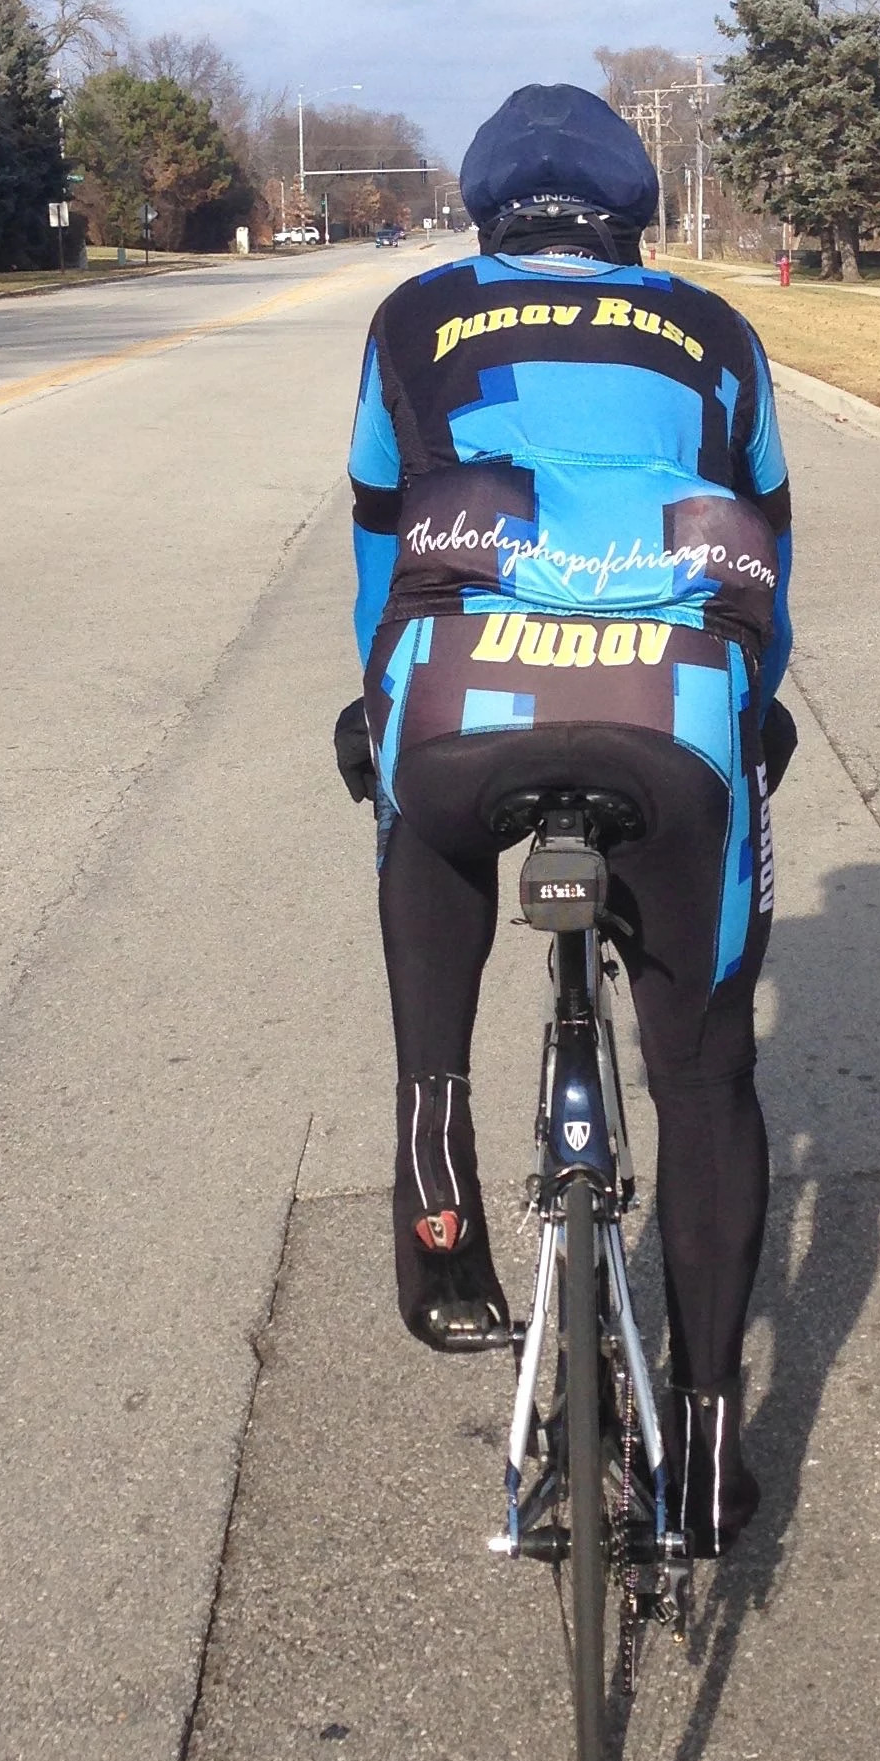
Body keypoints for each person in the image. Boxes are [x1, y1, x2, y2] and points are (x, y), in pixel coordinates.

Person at [335, 82, 796, 1553]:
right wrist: (757, 700)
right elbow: (768, 544)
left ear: (486, 212)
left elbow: (374, 532)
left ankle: (437, 1196)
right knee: (708, 1078)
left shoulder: (415, 315)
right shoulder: (716, 329)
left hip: (462, 691)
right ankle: (711, 1448)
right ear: (633, 214)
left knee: (420, 809)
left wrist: (374, 702)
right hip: (676, 705)